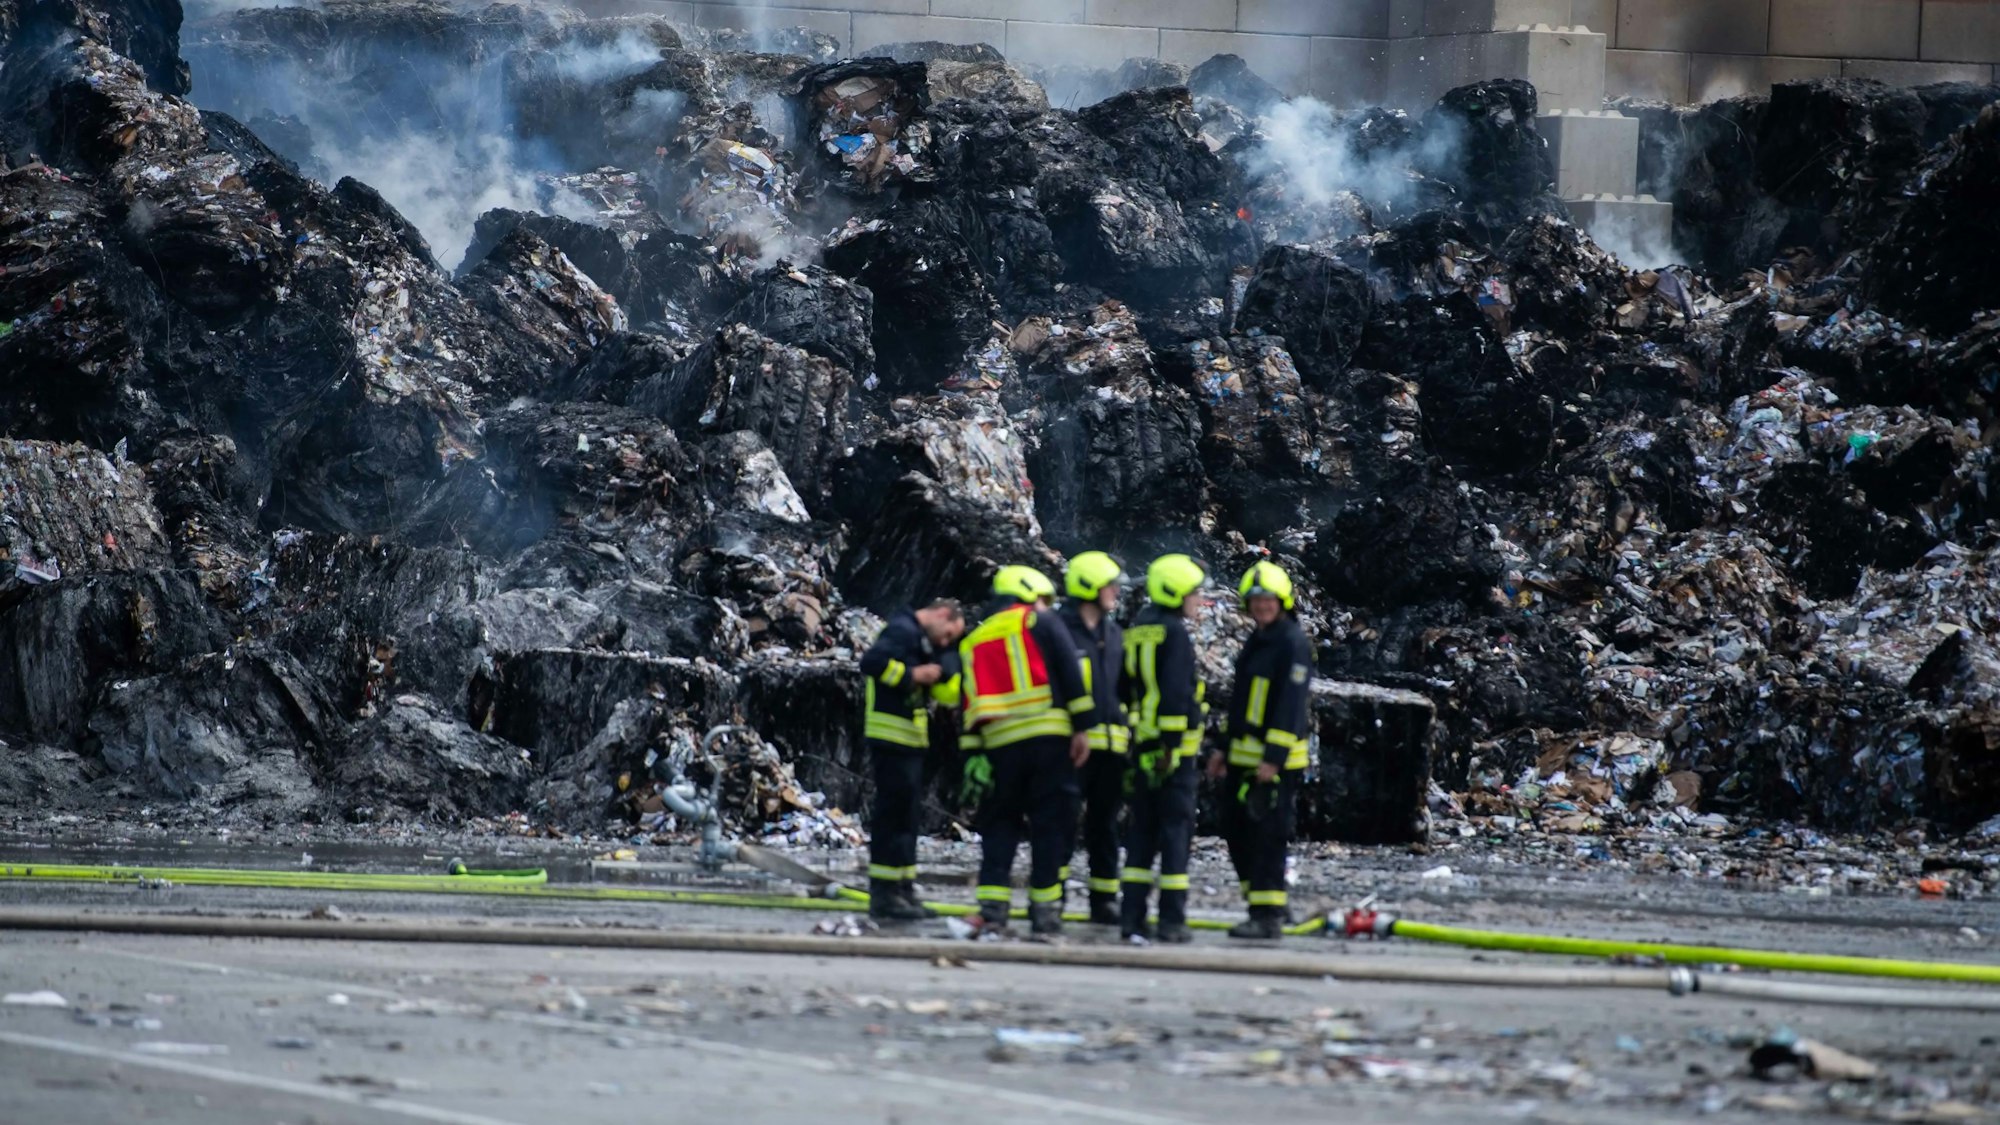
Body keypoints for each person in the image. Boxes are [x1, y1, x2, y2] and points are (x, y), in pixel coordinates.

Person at [958, 565, 1096, 935]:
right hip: (1048, 742)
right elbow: (1070, 672)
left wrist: (973, 757)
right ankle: (1044, 911)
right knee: (1051, 826)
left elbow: (968, 705)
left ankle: (992, 909)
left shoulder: (973, 639)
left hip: (999, 749)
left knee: (999, 827)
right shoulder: (1039, 621)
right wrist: (1083, 728)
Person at [1212, 561, 1313, 940]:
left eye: (1267, 598)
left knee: (1267, 835)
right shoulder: (1258, 640)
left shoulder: (1292, 642)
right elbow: (1240, 702)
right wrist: (1223, 747)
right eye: (1254, 599)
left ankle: (1266, 916)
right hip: (1242, 755)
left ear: (1282, 600)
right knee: (1238, 832)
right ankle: (1268, 903)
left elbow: (1290, 702)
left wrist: (1274, 756)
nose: (1260, 605)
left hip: (1272, 761)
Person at [1119, 554, 1207, 944]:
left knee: (1141, 834)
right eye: (1193, 593)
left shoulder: (1138, 628)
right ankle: (1172, 920)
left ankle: (1131, 918)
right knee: (1174, 835)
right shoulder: (1174, 633)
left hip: (1142, 748)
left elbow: (1124, 689)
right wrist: (1172, 747)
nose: (1198, 600)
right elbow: (1175, 694)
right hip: (1173, 754)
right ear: (1174, 592)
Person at [857, 600, 965, 922]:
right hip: (891, 737)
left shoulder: (920, 638)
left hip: (909, 740)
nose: (945, 642)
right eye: (947, 635)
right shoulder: (901, 631)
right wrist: (911, 674)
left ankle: (903, 889)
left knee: (907, 819)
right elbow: (872, 662)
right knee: (892, 819)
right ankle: (885, 895)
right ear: (942, 614)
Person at [1055, 551, 1129, 926]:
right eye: (1109, 585)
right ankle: (1053, 898)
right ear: (1088, 588)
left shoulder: (1114, 634)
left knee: (1105, 827)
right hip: (1069, 746)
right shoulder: (1059, 631)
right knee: (1062, 823)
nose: (1116, 591)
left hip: (1111, 749)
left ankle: (1104, 901)